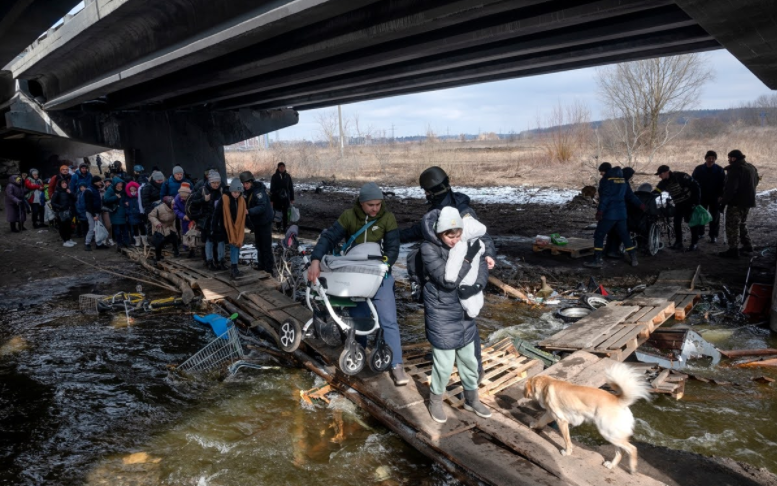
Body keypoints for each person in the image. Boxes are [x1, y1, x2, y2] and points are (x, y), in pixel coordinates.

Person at [399, 166, 496, 381]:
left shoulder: (455, 210)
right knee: (465, 320)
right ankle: (471, 369)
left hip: (453, 274)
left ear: (429, 191)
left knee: (459, 321)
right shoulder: (457, 205)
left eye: (425, 191)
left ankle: (469, 369)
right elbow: (418, 230)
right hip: (454, 273)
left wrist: (488, 253)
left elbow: (481, 234)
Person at [307, 182, 408, 386]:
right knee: (357, 316)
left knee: (388, 319)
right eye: (371, 205)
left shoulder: (387, 218)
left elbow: (393, 247)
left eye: (378, 204)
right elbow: (329, 237)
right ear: (361, 203)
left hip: (379, 274)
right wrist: (316, 259)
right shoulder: (348, 217)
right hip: (355, 275)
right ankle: (357, 352)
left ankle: (396, 364)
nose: (375, 209)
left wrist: (384, 265)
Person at [421, 207, 491, 423]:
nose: (455, 240)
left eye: (458, 235)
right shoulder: (428, 249)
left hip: (465, 310)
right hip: (441, 311)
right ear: (440, 233)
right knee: (443, 363)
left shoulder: (467, 241)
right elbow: (447, 280)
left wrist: (477, 285)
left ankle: (471, 399)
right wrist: (468, 258)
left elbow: (481, 265)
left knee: (469, 359)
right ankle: (435, 401)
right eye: (449, 237)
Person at [584, 163, 639, 268]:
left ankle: (597, 260)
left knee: (599, 235)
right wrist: (641, 205)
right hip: (622, 214)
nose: (601, 174)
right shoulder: (623, 181)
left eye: (602, 171)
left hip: (609, 214)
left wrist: (600, 211)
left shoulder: (606, 182)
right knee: (625, 236)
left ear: (607, 171)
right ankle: (634, 258)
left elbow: (605, 198)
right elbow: (631, 196)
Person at [719, 150, 759, 259]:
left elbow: (731, 189)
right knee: (742, 223)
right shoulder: (751, 167)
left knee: (732, 226)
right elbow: (756, 182)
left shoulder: (735, 170)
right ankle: (747, 245)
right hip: (748, 201)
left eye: (730, 157)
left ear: (734, 158)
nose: (728, 160)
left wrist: (723, 202)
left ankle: (733, 250)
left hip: (736, 203)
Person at [445, 213, 487, 318]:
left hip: (473, 280)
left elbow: (482, 256)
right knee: (472, 310)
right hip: (463, 283)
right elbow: (453, 264)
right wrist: (451, 277)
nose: (454, 240)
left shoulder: (477, 243)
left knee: (477, 304)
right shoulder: (460, 246)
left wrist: (478, 286)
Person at [653, 165, 701, 251]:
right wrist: (649, 195)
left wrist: (696, 202)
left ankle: (694, 243)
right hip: (678, 204)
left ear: (667, 172)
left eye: (661, 174)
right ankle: (678, 242)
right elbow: (657, 191)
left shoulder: (680, 176)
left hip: (689, 202)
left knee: (692, 222)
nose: (659, 176)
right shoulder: (663, 182)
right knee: (676, 222)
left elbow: (695, 186)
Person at [603, 166, 645, 258]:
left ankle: (607, 250)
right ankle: (621, 253)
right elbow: (631, 197)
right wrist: (641, 205)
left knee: (610, 231)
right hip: (619, 212)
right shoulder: (624, 183)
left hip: (608, 212)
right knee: (622, 233)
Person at [187, 170, 225, 270]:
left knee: (221, 240)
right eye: (214, 183)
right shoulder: (202, 190)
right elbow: (193, 203)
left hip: (219, 220)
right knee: (209, 241)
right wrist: (203, 200)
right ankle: (209, 261)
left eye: (218, 182)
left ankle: (221, 261)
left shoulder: (221, 190)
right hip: (207, 221)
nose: (216, 185)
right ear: (209, 181)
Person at [212, 179, 248, 279]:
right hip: (226, 227)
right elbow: (216, 213)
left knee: (237, 246)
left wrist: (251, 226)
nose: (236, 194)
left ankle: (234, 268)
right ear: (231, 191)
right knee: (233, 246)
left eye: (238, 192)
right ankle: (233, 269)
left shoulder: (241, 200)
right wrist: (213, 227)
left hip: (237, 228)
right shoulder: (224, 199)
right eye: (234, 192)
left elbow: (243, 215)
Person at [241, 171, 275, 273]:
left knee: (266, 245)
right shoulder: (248, 191)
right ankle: (261, 265)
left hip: (264, 221)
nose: (245, 185)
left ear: (251, 182)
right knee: (259, 244)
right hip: (257, 222)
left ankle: (268, 268)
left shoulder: (259, 192)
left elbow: (262, 207)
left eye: (247, 183)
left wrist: (249, 211)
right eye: (243, 183)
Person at [692, 151, 726, 244]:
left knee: (714, 217)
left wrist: (721, 195)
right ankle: (700, 233)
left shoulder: (719, 170)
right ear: (705, 158)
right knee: (700, 215)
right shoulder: (698, 169)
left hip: (715, 197)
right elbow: (693, 182)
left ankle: (713, 235)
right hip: (701, 196)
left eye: (713, 158)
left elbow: (723, 184)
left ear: (715, 159)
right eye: (709, 158)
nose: (711, 160)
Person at [148, 196, 179, 261]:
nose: (174, 205)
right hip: (160, 227)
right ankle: (158, 256)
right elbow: (151, 216)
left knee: (174, 239)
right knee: (158, 242)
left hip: (170, 226)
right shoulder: (158, 209)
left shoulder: (175, 208)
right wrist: (156, 223)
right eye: (173, 204)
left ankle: (176, 252)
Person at [78, 176, 104, 251]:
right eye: (99, 181)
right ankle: (87, 243)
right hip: (91, 213)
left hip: (97, 212)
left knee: (99, 229)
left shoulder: (96, 189)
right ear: (95, 182)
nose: (101, 182)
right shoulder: (89, 191)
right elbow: (89, 204)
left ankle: (99, 244)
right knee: (92, 228)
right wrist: (93, 215)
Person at [103, 178, 130, 250]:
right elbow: (106, 200)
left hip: (123, 211)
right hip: (115, 211)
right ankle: (119, 243)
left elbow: (127, 198)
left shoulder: (124, 190)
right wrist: (115, 197)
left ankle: (126, 242)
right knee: (117, 230)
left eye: (121, 183)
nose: (120, 185)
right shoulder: (111, 190)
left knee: (125, 229)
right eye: (118, 183)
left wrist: (126, 202)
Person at [51, 178, 75, 246]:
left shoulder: (68, 191)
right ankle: (65, 240)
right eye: (63, 183)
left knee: (68, 226)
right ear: (59, 184)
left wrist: (70, 193)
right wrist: (60, 207)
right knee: (63, 226)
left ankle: (69, 239)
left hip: (68, 211)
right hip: (61, 212)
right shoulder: (57, 192)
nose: (64, 184)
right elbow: (53, 202)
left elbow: (75, 198)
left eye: (65, 183)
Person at [270, 162, 294, 231]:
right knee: (278, 213)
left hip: (286, 198)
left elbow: (291, 187)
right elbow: (272, 189)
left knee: (285, 212)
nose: (282, 168)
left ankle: (285, 227)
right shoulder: (274, 177)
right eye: (280, 167)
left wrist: (292, 198)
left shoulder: (288, 176)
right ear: (278, 168)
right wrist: (271, 199)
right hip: (277, 198)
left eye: (283, 167)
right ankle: (278, 226)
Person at [173, 182, 195, 257]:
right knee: (185, 232)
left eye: (185, 197)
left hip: (193, 218)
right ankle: (186, 247)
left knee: (193, 233)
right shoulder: (177, 198)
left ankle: (193, 248)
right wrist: (183, 216)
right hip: (184, 219)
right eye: (181, 197)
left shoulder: (193, 197)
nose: (183, 198)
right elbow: (176, 210)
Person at [125, 181, 147, 247]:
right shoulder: (127, 197)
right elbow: (126, 207)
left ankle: (144, 241)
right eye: (131, 188)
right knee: (135, 228)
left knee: (142, 227)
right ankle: (137, 241)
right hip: (132, 215)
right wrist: (128, 212)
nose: (133, 190)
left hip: (139, 214)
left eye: (134, 188)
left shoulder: (139, 196)